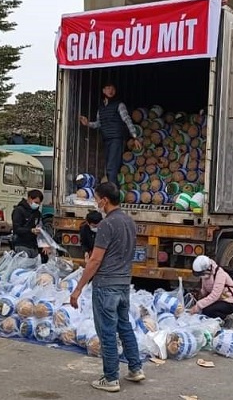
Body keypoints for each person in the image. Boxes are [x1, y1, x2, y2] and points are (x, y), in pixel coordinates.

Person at [70, 183, 145, 392]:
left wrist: (78, 289)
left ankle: (111, 378)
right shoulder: (129, 221)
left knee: (107, 332)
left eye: (96, 199)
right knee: (124, 326)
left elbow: (95, 260)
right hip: (123, 283)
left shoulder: (106, 224)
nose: (96, 203)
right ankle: (135, 368)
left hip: (106, 285)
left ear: (104, 200)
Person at [79, 82, 142, 187]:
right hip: (106, 139)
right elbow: (99, 124)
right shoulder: (101, 108)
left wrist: (134, 136)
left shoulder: (119, 105)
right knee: (110, 168)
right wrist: (87, 123)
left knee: (111, 167)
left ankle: (112, 195)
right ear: (103, 91)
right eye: (108, 88)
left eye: (112, 88)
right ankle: (115, 192)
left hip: (116, 139)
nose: (110, 90)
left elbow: (127, 120)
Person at [190, 255, 233, 328]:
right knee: (203, 310)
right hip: (219, 300)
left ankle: (225, 319)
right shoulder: (206, 275)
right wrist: (197, 299)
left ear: (208, 269)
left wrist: (198, 305)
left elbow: (214, 295)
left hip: (229, 301)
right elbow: (204, 290)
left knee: (208, 311)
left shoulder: (220, 274)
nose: (201, 277)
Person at [11, 189, 51, 262]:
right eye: (35, 202)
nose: (37, 205)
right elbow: (17, 229)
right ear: (29, 198)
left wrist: (44, 244)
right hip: (22, 245)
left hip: (33, 246)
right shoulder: (19, 211)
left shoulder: (37, 213)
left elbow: (41, 229)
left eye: (39, 203)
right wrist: (30, 230)